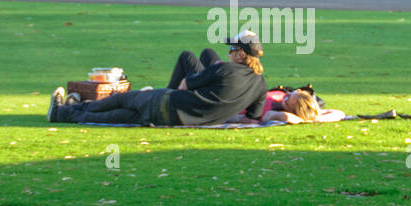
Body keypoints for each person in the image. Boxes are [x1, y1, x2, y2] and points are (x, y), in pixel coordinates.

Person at [49, 32, 268, 127]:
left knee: (120, 101)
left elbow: (184, 85)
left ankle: (66, 109)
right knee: (116, 117)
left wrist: (184, 99)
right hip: (172, 121)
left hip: (166, 102)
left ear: (241, 55)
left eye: (232, 48)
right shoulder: (261, 85)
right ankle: (65, 112)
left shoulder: (224, 69)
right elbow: (250, 120)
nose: (229, 52)